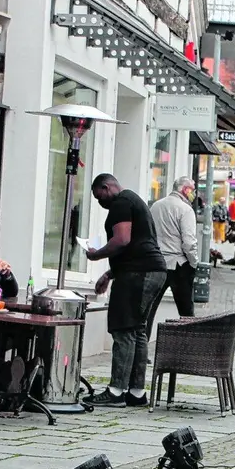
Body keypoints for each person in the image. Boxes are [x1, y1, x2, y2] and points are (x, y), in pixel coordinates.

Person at [83, 174, 168, 407]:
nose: (101, 203)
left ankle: (116, 391)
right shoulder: (133, 200)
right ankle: (136, 392)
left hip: (138, 275)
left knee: (123, 329)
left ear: (106, 186)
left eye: (100, 197)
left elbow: (122, 240)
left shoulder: (121, 202)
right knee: (138, 330)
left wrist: (95, 254)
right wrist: (109, 274)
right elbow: (134, 245)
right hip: (151, 271)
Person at [149, 176, 202, 318]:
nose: (195, 194)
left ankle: (143, 339)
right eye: (193, 190)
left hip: (157, 261)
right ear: (185, 190)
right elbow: (189, 242)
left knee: (149, 308)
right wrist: (194, 262)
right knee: (186, 311)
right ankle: (186, 338)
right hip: (179, 264)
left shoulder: (156, 206)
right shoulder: (186, 210)